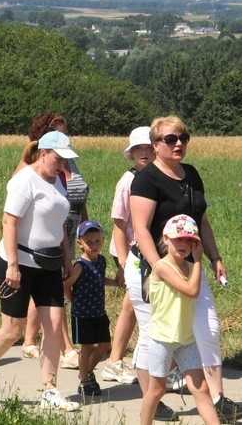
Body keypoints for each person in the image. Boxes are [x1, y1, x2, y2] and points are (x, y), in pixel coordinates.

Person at [131, 116, 241, 422]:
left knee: (208, 327)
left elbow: (201, 220)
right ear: (155, 145)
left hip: (190, 263)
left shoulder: (191, 174)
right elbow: (140, 228)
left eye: (183, 137)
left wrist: (214, 257)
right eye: (170, 139)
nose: (178, 143)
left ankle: (216, 398)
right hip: (157, 266)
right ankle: (152, 396)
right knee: (155, 335)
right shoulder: (147, 179)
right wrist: (158, 267)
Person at [0, 131, 80, 412]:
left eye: (65, 160)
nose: (62, 164)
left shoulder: (60, 180)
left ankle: (49, 390)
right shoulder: (24, 181)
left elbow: (59, 226)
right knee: (12, 330)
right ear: (43, 154)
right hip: (17, 263)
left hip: (49, 264)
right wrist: (13, 266)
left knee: (54, 325)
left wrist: (67, 257)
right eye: (58, 159)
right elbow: (9, 223)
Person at [20, 113, 86, 370]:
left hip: (68, 233)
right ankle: (64, 347)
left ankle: (33, 344)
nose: (66, 138)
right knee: (54, 295)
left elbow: (79, 196)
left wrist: (84, 227)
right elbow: (13, 212)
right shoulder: (31, 169)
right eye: (60, 133)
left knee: (51, 296)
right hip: (44, 240)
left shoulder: (69, 164)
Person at [140, 215, 220, 425]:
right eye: (178, 239)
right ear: (165, 239)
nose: (184, 244)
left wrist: (196, 264)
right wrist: (199, 260)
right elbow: (192, 291)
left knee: (201, 388)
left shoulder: (190, 267)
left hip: (185, 339)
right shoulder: (161, 266)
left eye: (190, 240)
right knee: (156, 391)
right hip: (162, 340)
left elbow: (193, 289)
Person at [102, 127, 153, 389]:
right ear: (131, 153)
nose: (144, 153)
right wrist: (123, 264)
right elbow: (119, 225)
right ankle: (115, 361)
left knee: (132, 305)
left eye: (148, 147)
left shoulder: (157, 177)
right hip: (131, 251)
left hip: (149, 252)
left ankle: (120, 360)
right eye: (138, 149)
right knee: (133, 304)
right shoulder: (128, 181)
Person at [63, 220, 119, 397]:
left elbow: (100, 279)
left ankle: (85, 372)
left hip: (98, 311)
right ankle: (84, 380)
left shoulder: (101, 261)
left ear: (103, 240)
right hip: (83, 314)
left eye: (97, 241)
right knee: (86, 347)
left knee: (104, 344)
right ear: (80, 243)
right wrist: (71, 299)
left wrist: (116, 284)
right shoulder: (80, 265)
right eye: (89, 242)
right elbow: (67, 284)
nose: (94, 245)